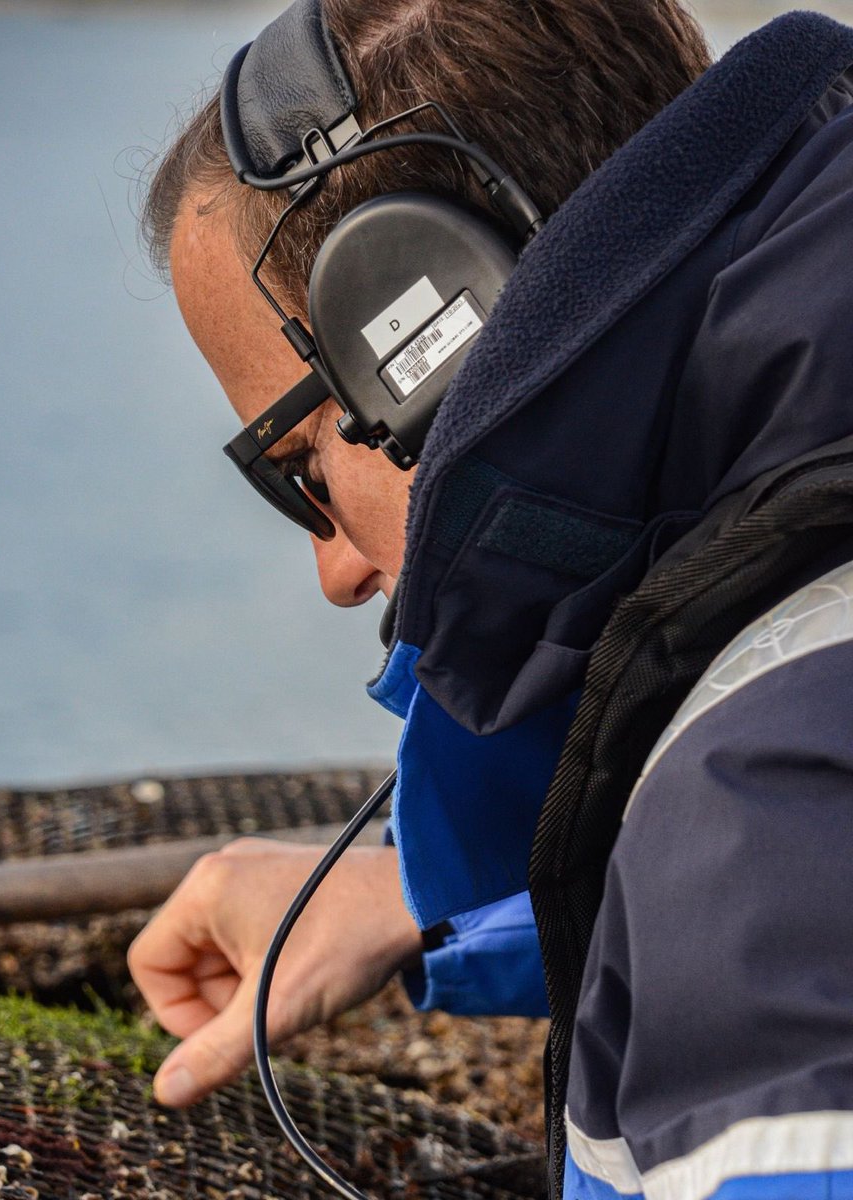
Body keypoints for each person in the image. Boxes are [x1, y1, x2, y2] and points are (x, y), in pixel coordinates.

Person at [128, 1, 853, 1197]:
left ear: (433, 332)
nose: (336, 570)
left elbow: (772, 900)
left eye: (304, 468)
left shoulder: (753, 839)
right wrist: (428, 903)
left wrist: (686, 870)